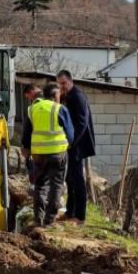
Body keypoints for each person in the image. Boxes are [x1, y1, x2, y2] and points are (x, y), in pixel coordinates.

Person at [22, 83, 74, 226]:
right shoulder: (59, 108)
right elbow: (70, 134)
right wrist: (68, 144)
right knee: (56, 185)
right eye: (58, 95)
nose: (60, 97)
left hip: (38, 154)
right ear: (54, 95)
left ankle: (38, 218)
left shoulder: (33, 109)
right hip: (58, 153)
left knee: (40, 185)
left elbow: (27, 132)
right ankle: (49, 219)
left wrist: (26, 149)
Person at [56, 70, 95, 224]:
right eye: (59, 84)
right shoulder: (67, 96)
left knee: (77, 179)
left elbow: (81, 123)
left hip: (77, 144)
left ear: (71, 81)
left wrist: (70, 142)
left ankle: (80, 216)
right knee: (70, 178)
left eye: (64, 83)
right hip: (70, 143)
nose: (62, 87)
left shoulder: (78, 97)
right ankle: (70, 212)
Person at [21, 84, 43, 184]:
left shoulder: (34, 107)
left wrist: (26, 146)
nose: (29, 99)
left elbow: (28, 129)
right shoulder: (52, 100)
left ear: (31, 92)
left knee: (37, 180)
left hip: (38, 148)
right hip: (56, 150)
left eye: (28, 97)